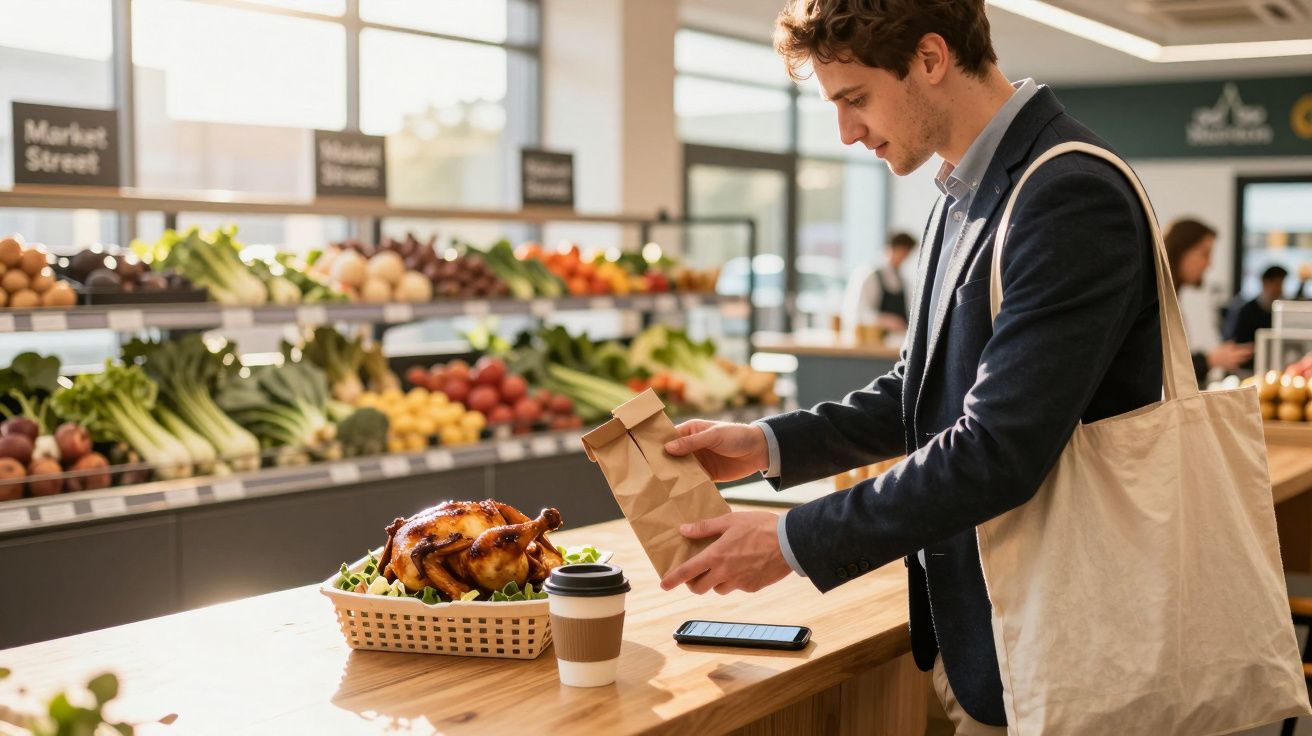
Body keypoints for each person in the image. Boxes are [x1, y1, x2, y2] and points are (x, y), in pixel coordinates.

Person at [656, 0, 1166, 732]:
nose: (847, 131)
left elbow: (997, 449)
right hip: (988, 639)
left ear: (931, 59)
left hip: (1064, 652)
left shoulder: (1065, 194)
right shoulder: (960, 196)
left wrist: (791, 540)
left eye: (855, 99)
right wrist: (768, 444)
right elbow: (922, 387)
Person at [1163, 217, 1252, 382]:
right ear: (1181, 251)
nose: (1209, 264)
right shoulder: (1159, 301)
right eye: (1205, 254)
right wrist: (1210, 360)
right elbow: (1164, 369)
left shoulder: (1171, 298)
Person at [839, 232, 916, 335]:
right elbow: (858, 314)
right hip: (873, 341)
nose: (905, 258)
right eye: (903, 252)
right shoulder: (870, 275)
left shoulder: (903, 280)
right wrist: (885, 320)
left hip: (897, 342)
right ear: (892, 249)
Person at [1224, 265, 1288, 351]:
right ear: (1265, 283)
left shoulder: (1283, 311)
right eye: (1276, 283)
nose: (1279, 289)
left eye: (1281, 284)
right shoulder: (1247, 311)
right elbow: (1239, 343)